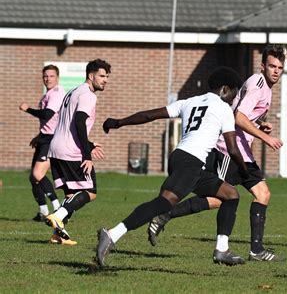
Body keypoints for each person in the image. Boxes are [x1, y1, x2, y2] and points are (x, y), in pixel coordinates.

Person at [96, 66, 249, 267]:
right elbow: (233, 149)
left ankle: (222, 249)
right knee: (163, 204)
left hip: (182, 159)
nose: (234, 98)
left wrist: (119, 122)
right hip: (191, 162)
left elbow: (150, 115)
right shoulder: (223, 108)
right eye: (235, 92)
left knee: (230, 195)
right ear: (225, 89)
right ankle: (113, 234)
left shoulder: (189, 102)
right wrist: (245, 172)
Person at [147, 44, 285, 262]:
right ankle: (165, 214)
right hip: (229, 151)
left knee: (261, 194)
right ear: (262, 66)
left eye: (279, 67)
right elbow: (238, 116)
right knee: (218, 199)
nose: (276, 71)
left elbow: (245, 114)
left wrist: (261, 124)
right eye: (272, 66)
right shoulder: (258, 84)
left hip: (243, 151)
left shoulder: (265, 87)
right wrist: (265, 137)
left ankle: (256, 250)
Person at [44, 59, 108, 246]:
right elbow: (79, 121)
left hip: (56, 148)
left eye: (107, 77)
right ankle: (58, 215)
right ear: (91, 76)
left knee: (72, 194)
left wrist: (88, 143)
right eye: (102, 76)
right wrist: (86, 154)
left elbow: (69, 125)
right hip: (71, 151)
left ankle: (58, 234)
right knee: (90, 191)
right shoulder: (88, 95)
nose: (105, 80)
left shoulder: (73, 91)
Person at [19, 65, 64, 222]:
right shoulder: (48, 95)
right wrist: (38, 136)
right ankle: (43, 212)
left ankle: (58, 209)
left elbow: (47, 114)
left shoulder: (57, 94)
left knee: (38, 174)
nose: (48, 79)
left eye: (51, 76)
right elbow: (50, 121)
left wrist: (27, 109)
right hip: (44, 137)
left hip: (52, 139)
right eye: (45, 76)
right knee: (33, 178)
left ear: (57, 77)